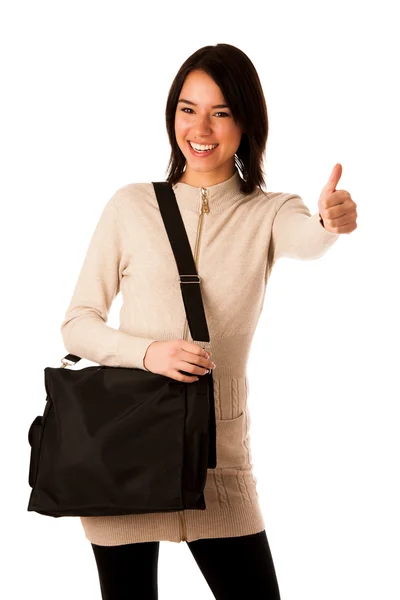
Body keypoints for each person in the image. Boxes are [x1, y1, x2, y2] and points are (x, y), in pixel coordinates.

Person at [60, 43, 357, 599]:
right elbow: (78, 323)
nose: (201, 127)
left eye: (220, 112)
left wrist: (329, 220)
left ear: (246, 121)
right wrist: (152, 353)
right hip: (126, 451)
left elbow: (309, 239)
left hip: (217, 463)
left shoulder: (270, 211)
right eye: (187, 108)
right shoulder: (130, 207)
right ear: (172, 115)